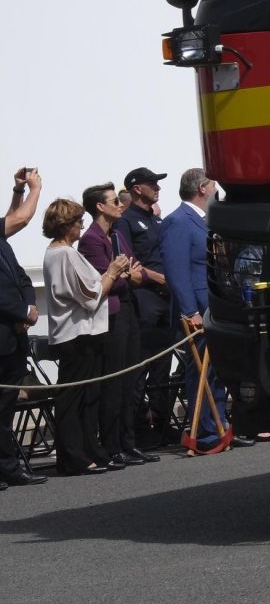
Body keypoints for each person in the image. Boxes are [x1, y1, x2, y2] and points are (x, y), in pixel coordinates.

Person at [160, 169, 252, 449]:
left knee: (218, 369)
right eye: (213, 185)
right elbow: (177, 271)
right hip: (198, 308)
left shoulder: (204, 220)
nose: (216, 190)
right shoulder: (178, 221)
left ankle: (221, 423)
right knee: (200, 370)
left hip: (216, 305)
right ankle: (206, 430)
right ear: (202, 188)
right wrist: (189, 310)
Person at [42, 197, 132, 475]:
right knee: (74, 398)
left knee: (85, 397)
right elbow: (91, 295)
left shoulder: (56, 252)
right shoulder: (65, 254)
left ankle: (87, 451)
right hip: (76, 334)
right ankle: (74, 457)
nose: (82, 226)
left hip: (78, 334)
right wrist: (114, 272)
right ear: (66, 224)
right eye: (78, 221)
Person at [80, 184, 157, 465]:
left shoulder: (119, 235)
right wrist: (125, 275)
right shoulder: (90, 240)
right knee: (114, 381)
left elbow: (134, 268)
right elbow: (104, 279)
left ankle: (129, 441)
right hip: (111, 315)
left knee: (132, 378)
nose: (120, 205)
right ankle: (112, 446)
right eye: (114, 201)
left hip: (128, 310)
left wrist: (127, 274)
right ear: (100, 206)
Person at [119, 167, 179, 446]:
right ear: (136, 189)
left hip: (166, 301)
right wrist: (159, 278)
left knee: (162, 368)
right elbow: (128, 263)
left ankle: (163, 427)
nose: (157, 187)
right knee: (139, 369)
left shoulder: (157, 220)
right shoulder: (126, 221)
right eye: (151, 183)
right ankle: (138, 431)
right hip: (145, 298)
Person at [0, 167, 49, 488]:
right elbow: (21, 219)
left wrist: (31, 306)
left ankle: (7, 468)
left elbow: (19, 277)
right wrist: (35, 189)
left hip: (14, 337)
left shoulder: (2, 243)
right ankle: (7, 467)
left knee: (4, 411)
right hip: (4, 332)